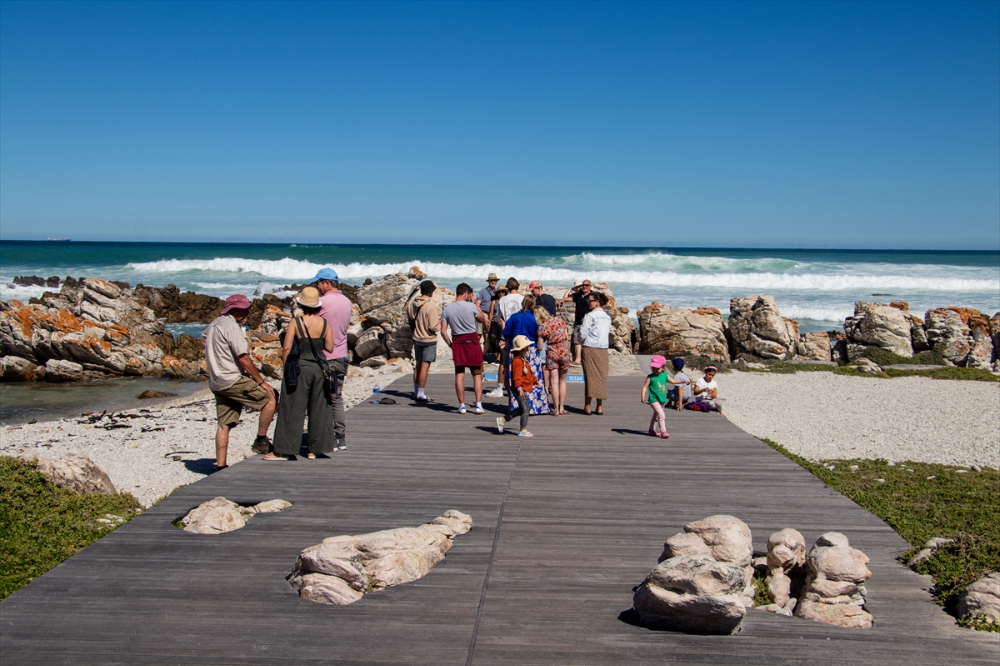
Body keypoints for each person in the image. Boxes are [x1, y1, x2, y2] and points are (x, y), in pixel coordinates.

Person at [201, 294, 277, 470]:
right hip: (232, 379)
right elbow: (243, 358)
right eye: (244, 310)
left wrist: (217, 356)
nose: (247, 313)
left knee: (224, 424)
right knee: (270, 397)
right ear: (234, 309)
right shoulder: (231, 327)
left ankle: (220, 466)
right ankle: (261, 440)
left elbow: (203, 339)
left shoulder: (215, 323)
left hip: (216, 381)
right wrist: (261, 382)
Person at [264, 287, 336, 461]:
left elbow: (287, 348)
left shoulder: (296, 322)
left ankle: (284, 450)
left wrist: (287, 367)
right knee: (319, 408)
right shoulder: (325, 323)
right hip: (320, 369)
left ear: (302, 305)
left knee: (292, 407)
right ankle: (315, 450)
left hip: (300, 367)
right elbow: (330, 347)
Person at [312, 268, 351, 451]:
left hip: (324, 356)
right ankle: (340, 437)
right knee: (337, 397)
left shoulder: (322, 303)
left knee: (320, 398)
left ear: (326, 283)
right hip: (341, 355)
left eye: (318, 282)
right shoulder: (347, 302)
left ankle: (324, 435)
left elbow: (313, 327)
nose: (316, 286)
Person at [440, 283, 488, 414]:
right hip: (472, 341)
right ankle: (478, 405)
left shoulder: (447, 308)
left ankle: (462, 406)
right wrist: (474, 304)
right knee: (477, 374)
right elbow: (481, 319)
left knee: (459, 375)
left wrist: (450, 344)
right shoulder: (471, 306)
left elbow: (443, 331)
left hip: (457, 342)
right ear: (466, 294)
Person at [502, 295, 549, 416]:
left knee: (517, 376)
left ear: (523, 303)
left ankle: (518, 405)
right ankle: (536, 406)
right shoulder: (534, 317)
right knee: (532, 376)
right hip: (531, 348)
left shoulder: (514, 317)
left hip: (517, 349)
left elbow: (505, 333)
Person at [578, 291, 611, 415]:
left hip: (590, 347)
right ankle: (599, 406)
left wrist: (579, 339)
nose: (588, 303)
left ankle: (587, 406)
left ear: (597, 302)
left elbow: (583, 333)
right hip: (603, 348)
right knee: (601, 377)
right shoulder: (607, 317)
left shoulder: (590, 316)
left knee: (590, 378)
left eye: (590, 301)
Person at [496, 335, 535, 437]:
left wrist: (534, 381)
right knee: (526, 409)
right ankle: (523, 429)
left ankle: (503, 419)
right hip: (519, 389)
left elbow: (526, 375)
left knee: (524, 408)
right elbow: (516, 377)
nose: (528, 348)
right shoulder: (517, 361)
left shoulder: (522, 359)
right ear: (521, 349)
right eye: (526, 347)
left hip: (521, 388)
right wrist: (519, 388)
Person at [407, 280, 440, 402]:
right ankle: (421, 393)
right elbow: (433, 326)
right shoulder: (431, 306)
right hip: (428, 339)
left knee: (418, 365)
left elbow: (409, 319)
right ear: (431, 292)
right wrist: (440, 324)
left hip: (417, 337)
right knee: (425, 367)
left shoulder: (413, 303)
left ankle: (416, 392)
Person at [640, 355, 688, 438]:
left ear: (663, 367)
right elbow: (645, 387)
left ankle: (651, 429)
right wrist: (643, 396)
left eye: (657, 368)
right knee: (661, 415)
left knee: (656, 416)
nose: (655, 369)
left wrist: (683, 381)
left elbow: (673, 381)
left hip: (662, 399)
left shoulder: (665, 375)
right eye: (653, 368)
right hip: (654, 399)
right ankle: (663, 431)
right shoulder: (650, 377)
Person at [535, 306, 570, 415]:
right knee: (562, 381)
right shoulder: (560, 320)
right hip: (564, 352)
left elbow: (540, 347)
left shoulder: (542, 327)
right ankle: (562, 408)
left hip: (552, 353)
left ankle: (556, 409)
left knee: (554, 382)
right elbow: (566, 336)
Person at [558, 279, 593, 365]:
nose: (584, 287)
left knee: (589, 341)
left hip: (590, 323)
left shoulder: (593, 296)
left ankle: (589, 360)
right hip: (579, 322)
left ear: (590, 286)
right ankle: (577, 360)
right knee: (576, 340)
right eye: (583, 285)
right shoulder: (579, 295)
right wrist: (563, 300)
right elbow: (569, 298)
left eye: (586, 285)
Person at [478, 273, 501, 355]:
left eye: (494, 280)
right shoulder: (482, 291)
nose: (493, 282)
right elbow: (477, 305)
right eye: (491, 280)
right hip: (483, 314)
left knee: (489, 336)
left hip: (493, 315)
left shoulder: (498, 292)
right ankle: (479, 354)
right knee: (479, 336)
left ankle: (485, 354)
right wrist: (484, 317)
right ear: (488, 281)